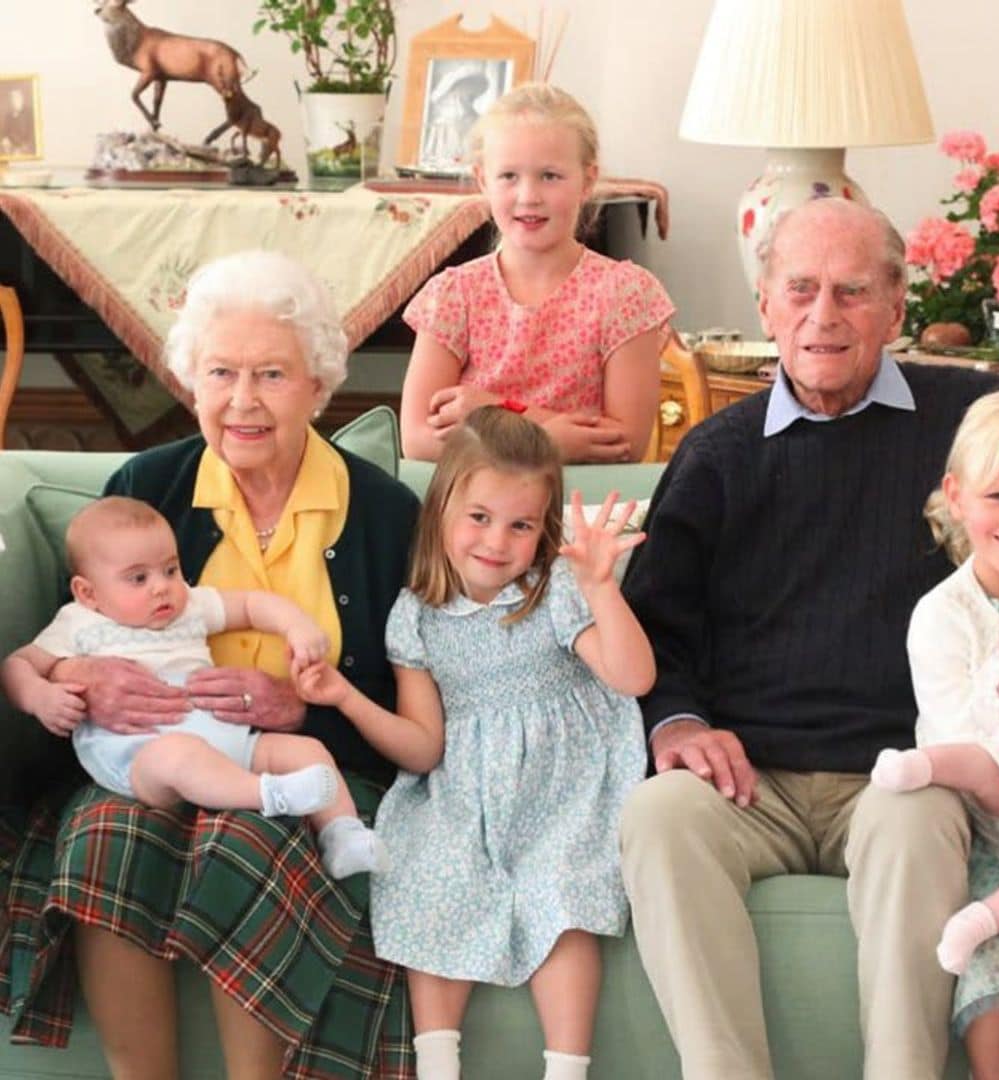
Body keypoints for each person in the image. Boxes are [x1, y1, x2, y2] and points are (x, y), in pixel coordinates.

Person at [619, 196, 999, 1080]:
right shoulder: (718, 454)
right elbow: (653, 625)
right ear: (764, 303)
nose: (822, 315)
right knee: (657, 816)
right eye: (800, 289)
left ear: (896, 304)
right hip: (747, 781)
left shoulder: (973, 419)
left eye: (850, 291)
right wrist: (678, 721)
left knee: (916, 826)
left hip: (900, 771)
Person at [0, 250, 420, 1079]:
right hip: (145, 761)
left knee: (246, 837)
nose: (244, 399)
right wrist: (85, 686)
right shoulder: (146, 488)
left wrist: (304, 712)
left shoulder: (382, 513)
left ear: (318, 387)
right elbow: (70, 639)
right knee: (103, 835)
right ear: (192, 382)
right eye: (221, 372)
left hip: (310, 766)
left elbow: (408, 695)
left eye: (271, 373)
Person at [296, 406, 652, 1080]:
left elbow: (632, 677)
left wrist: (601, 585)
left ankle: (567, 1071)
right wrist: (346, 698)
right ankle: (437, 1066)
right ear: (441, 511)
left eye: (521, 525)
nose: (497, 542)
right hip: (466, 786)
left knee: (563, 895)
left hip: (565, 783)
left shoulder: (555, 590)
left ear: (543, 528)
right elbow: (424, 748)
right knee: (428, 876)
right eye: (479, 517)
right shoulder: (417, 616)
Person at [1, 495, 387, 879]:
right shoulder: (78, 622)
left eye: (170, 569)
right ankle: (268, 794)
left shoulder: (190, 608)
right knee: (181, 755)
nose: (162, 588)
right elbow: (17, 665)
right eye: (139, 578)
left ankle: (344, 834)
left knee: (306, 749)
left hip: (225, 735)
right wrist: (40, 697)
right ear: (88, 592)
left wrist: (297, 627)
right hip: (140, 755)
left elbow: (252, 604)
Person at [871, 387, 999, 1080]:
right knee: (988, 969)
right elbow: (987, 770)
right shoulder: (944, 616)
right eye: (998, 497)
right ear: (957, 497)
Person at [399, 82, 675, 465]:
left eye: (549, 176)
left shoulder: (625, 294)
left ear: (587, 180)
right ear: (483, 181)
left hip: (585, 513)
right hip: (479, 516)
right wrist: (549, 440)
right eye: (509, 176)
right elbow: (416, 440)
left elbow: (624, 443)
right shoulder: (453, 294)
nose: (528, 196)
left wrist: (495, 412)